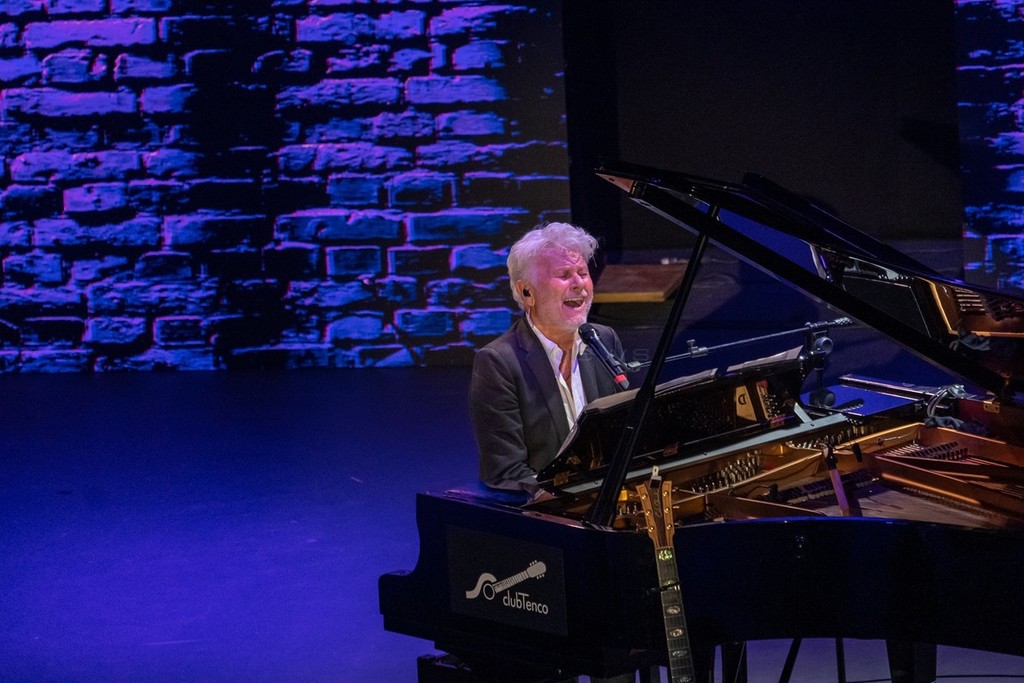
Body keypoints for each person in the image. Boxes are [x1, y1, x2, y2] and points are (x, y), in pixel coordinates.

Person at [469, 222, 626, 496]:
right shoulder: (498, 362)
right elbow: (505, 472)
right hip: (544, 511)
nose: (579, 284)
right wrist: (573, 495)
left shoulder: (603, 339)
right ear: (527, 292)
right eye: (564, 275)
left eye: (583, 273)